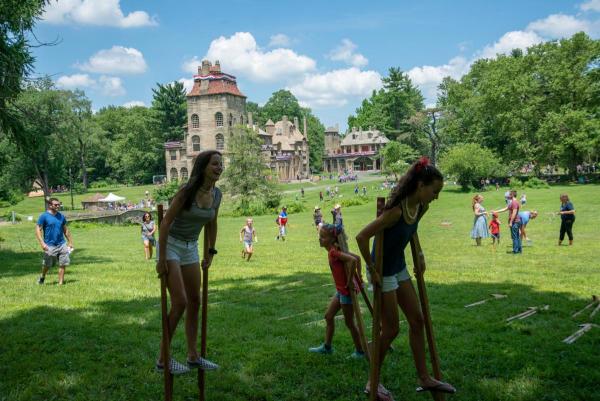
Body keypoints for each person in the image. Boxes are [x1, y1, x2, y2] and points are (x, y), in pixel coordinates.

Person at [355, 157, 456, 399]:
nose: (437, 196)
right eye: (435, 190)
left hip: (399, 266)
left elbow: (412, 231)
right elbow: (361, 237)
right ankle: (372, 382)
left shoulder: (422, 207)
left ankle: (424, 377)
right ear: (421, 186)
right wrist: (372, 269)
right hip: (383, 271)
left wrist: (419, 253)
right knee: (390, 330)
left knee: (417, 320)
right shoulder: (394, 212)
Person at [155, 150, 223, 375]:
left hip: (191, 246)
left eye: (221, 165)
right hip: (171, 244)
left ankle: (193, 356)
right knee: (180, 301)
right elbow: (165, 223)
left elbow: (212, 223)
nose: (219, 168)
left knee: (195, 300)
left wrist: (211, 251)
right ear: (203, 167)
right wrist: (162, 258)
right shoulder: (186, 192)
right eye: (215, 164)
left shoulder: (217, 195)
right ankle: (163, 359)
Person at [309, 224, 365, 359]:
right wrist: (359, 276)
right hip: (340, 290)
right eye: (320, 236)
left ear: (332, 239)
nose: (320, 239)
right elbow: (357, 258)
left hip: (346, 292)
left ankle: (360, 352)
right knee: (328, 316)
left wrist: (352, 279)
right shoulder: (335, 249)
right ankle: (327, 347)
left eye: (323, 237)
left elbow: (353, 260)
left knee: (350, 323)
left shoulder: (334, 252)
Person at [35, 198, 74, 285]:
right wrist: (42, 243)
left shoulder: (61, 216)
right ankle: (42, 276)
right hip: (49, 245)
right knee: (47, 265)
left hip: (61, 244)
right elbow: (38, 230)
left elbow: (66, 230)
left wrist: (70, 242)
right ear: (50, 205)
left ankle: (60, 283)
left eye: (58, 204)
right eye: (55, 205)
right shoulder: (44, 216)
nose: (58, 206)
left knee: (63, 263)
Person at [494, 190, 522, 254]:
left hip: (515, 222)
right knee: (517, 236)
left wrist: (511, 222)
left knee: (515, 237)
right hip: (516, 221)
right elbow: (505, 209)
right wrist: (496, 211)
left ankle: (515, 251)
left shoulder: (514, 202)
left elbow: (514, 213)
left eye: (509, 194)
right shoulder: (512, 202)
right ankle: (519, 250)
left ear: (512, 195)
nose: (508, 196)